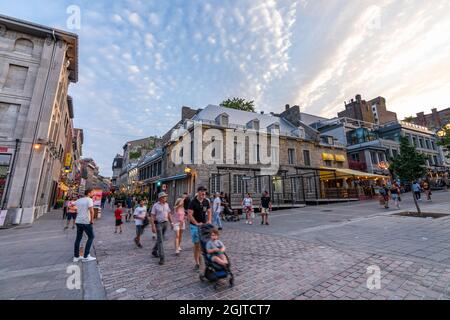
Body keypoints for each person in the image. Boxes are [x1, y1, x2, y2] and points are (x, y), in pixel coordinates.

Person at [188, 186, 212, 270]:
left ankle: (205, 261)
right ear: (198, 192)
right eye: (202, 192)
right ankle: (197, 263)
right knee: (197, 245)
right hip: (194, 226)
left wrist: (209, 220)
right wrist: (196, 223)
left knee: (205, 244)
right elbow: (190, 214)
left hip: (204, 226)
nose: (203, 194)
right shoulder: (193, 202)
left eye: (204, 192)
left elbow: (209, 211)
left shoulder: (206, 201)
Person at [73, 189, 96, 262]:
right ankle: (86, 255)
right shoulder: (89, 200)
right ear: (89, 193)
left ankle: (76, 257)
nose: (93, 194)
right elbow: (92, 211)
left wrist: (78, 211)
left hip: (78, 221)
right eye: (92, 192)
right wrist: (92, 220)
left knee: (78, 238)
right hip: (86, 221)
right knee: (91, 237)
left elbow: (71, 205)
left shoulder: (79, 200)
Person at [150, 192, 173, 265]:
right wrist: (153, 226)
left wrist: (171, 222)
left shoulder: (166, 204)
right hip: (158, 224)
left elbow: (169, 214)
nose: (165, 198)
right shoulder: (155, 206)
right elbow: (152, 216)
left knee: (161, 238)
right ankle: (162, 257)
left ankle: (154, 250)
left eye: (166, 197)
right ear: (160, 198)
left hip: (165, 223)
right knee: (160, 241)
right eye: (164, 197)